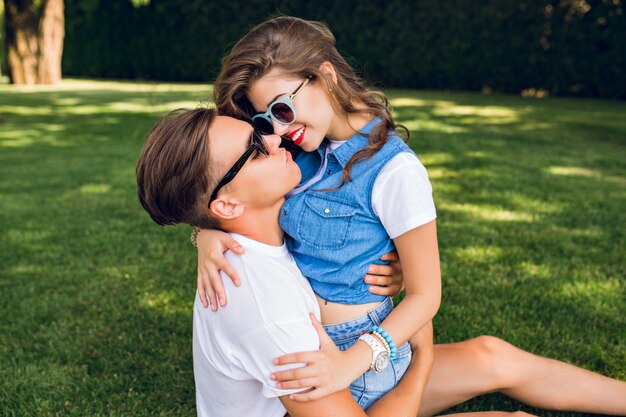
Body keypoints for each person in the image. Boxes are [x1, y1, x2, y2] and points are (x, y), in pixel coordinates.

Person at [193, 16, 626, 416]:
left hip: (363, 353)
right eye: (267, 122)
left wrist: (349, 365)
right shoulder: (297, 149)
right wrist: (206, 234)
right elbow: (225, 189)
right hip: (336, 364)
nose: (280, 132)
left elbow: (426, 295)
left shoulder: (394, 170)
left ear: (325, 75)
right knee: (498, 386)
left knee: (493, 355)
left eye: (283, 111)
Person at [136, 108, 521, 417]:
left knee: (491, 355)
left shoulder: (258, 231)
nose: (273, 137)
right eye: (254, 147)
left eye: (258, 128)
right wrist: (424, 357)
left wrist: (202, 233)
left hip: (336, 384)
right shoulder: (266, 310)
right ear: (227, 205)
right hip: (321, 402)